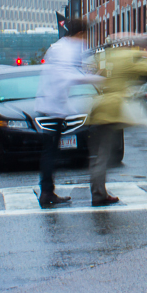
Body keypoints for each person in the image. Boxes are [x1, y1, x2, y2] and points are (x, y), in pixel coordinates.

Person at [89, 34, 147, 207]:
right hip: (113, 109)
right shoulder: (127, 57)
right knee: (104, 154)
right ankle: (98, 194)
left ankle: (98, 191)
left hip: (101, 108)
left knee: (99, 154)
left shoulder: (110, 56)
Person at [35, 18, 101, 208]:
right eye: (86, 35)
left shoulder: (58, 47)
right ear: (80, 34)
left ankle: (47, 191)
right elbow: (68, 76)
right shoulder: (67, 49)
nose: (86, 39)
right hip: (53, 106)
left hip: (51, 103)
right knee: (50, 152)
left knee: (50, 151)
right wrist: (96, 79)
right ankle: (46, 193)